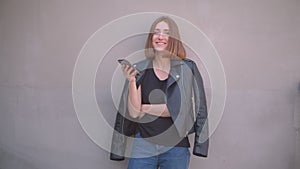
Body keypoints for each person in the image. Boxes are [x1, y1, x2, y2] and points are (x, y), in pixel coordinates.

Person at [110, 16, 209, 169]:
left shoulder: (187, 69)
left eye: (166, 33)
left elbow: (177, 108)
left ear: (173, 38)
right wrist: (131, 81)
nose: (160, 36)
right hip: (143, 145)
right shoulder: (140, 69)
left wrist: (144, 108)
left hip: (176, 148)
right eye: (156, 32)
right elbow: (134, 113)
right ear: (151, 38)